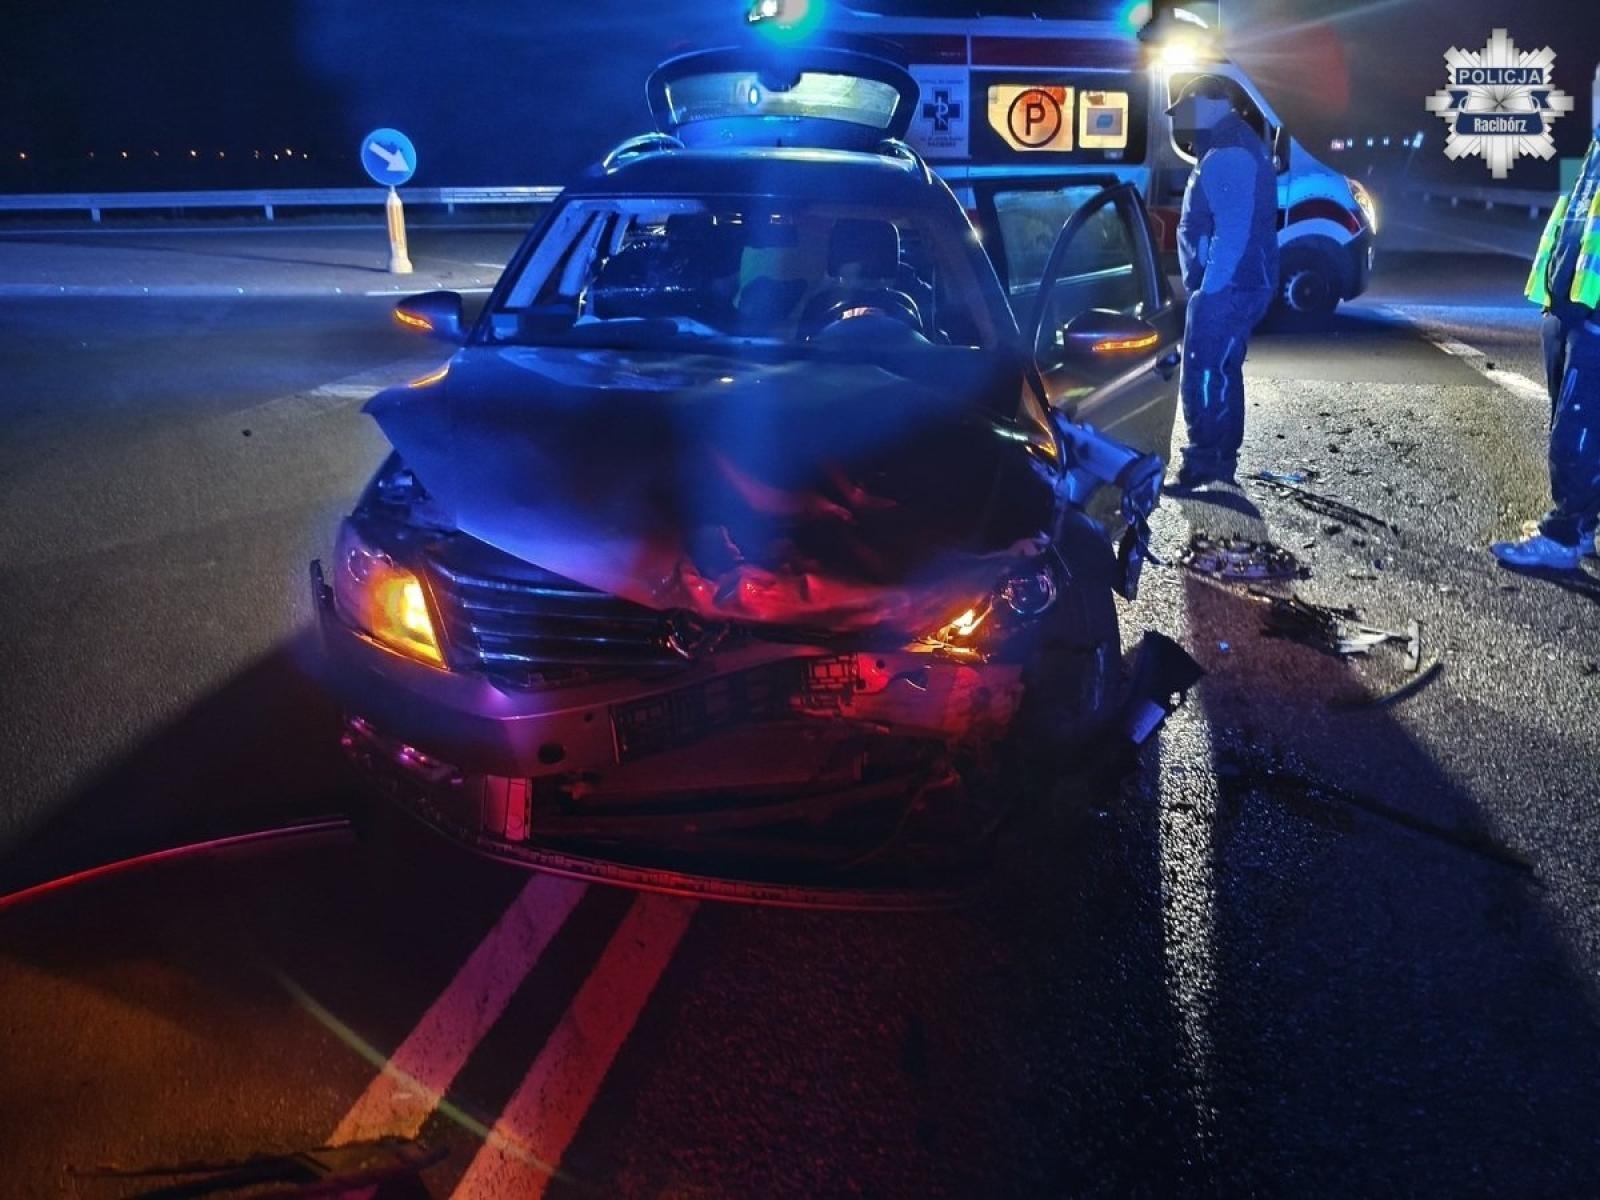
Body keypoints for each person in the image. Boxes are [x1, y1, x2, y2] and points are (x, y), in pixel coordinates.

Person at [1491, 124, 1600, 571]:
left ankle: (1564, 537)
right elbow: (1576, 219)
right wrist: (1553, 295)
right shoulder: (1594, 144)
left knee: (1577, 433)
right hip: (1567, 305)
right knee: (1571, 422)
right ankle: (1584, 526)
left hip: (1591, 316)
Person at [1164, 75, 1280, 490]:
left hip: (1229, 287)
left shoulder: (1228, 153)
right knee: (1223, 369)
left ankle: (1206, 461)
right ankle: (1218, 457)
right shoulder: (1228, 146)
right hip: (1236, 283)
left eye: (1185, 110)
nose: (1181, 123)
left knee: (1205, 370)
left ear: (1208, 104)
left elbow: (1232, 232)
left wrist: (1210, 291)